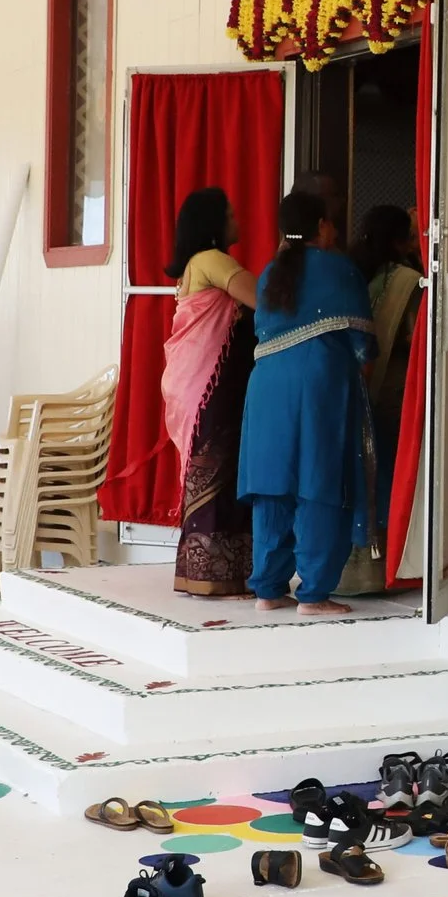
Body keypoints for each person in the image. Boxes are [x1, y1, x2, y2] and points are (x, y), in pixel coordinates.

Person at [237, 189, 375, 617]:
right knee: (320, 481)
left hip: (266, 387)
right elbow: (364, 348)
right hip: (319, 383)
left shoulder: (269, 273)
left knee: (273, 485)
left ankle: (268, 590)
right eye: (331, 222)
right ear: (321, 226)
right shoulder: (339, 269)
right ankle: (313, 595)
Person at [159, 188, 257, 596]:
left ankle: (195, 572)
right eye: (230, 215)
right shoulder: (213, 260)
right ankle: (213, 576)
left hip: (195, 384)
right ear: (214, 223)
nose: (237, 220)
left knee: (206, 474)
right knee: (217, 473)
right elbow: (264, 300)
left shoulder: (194, 265)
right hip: (209, 389)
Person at [349, 204, 420, 494]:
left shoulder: (352, 272)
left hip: (356, 390)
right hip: (393, 391)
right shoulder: (409, 281)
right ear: (398, 242)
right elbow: (416, 337)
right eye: (411, 237)